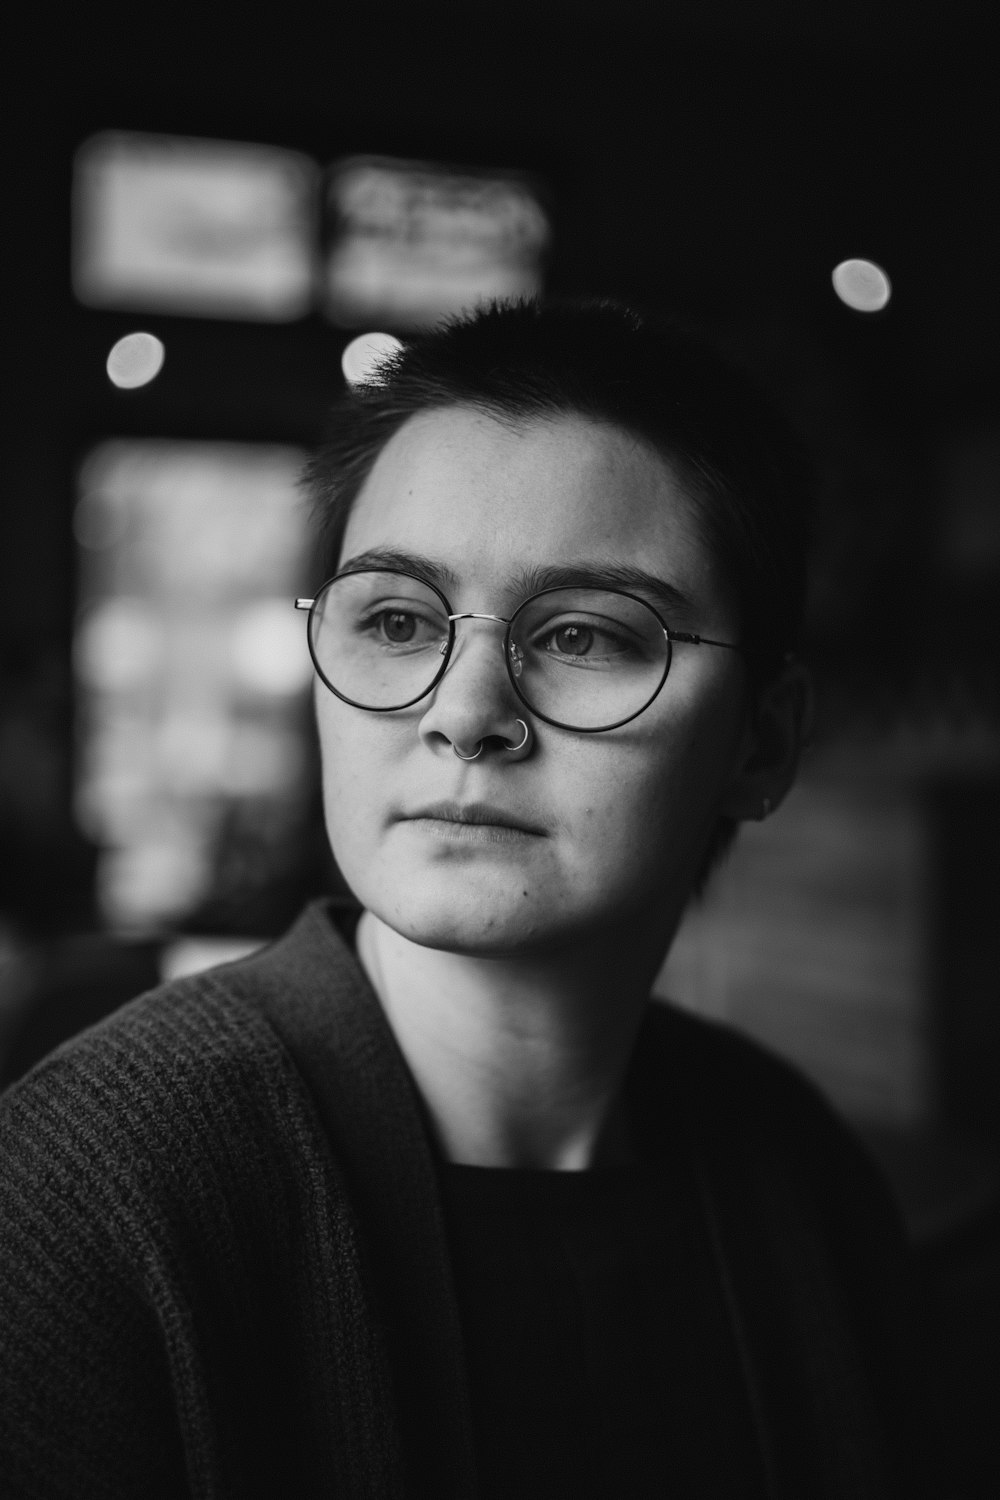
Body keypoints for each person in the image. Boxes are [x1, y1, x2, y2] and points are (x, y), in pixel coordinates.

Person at [0, 299, 936, 1497]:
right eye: (395, 620)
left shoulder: (805, 1182)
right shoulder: (94, 1199)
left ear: (761, 742)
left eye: (587, 636)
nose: (462, 712)